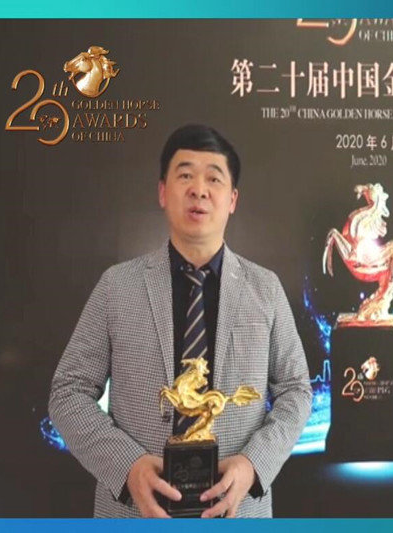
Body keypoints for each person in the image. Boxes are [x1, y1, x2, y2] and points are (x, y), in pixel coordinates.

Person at [48, 124, 312, 518]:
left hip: (237, 510)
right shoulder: (117, 286)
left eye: (214, 179)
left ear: (232, 199)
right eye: (185, 175)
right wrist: (127, 467)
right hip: (134, 512)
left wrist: (253, 464)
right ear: (162, 192)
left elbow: (296, 390)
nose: (199, 189)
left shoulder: (265, 289)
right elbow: (68, 391)